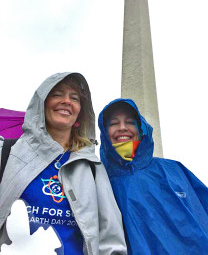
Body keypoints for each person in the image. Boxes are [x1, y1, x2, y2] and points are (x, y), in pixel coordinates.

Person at [0, 73, 127, 255]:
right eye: (57, 94)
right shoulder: (7, 152)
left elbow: (110, 238)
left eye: (74, 98)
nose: (66, 101)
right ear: (41, 104)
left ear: (80, 114)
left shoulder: (92, 168)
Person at [98, 98, 208, 255]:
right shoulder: (102, 184)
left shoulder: (174, 169)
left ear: (140, 129)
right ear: (104, 133)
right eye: (113, 123)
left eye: (130, 122)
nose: (122, 127)